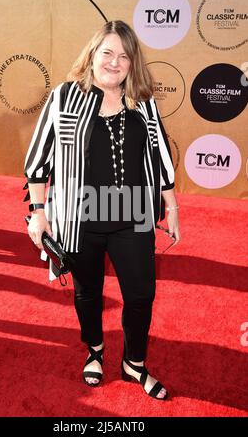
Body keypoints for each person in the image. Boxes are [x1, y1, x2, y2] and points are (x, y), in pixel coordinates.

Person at [24, 20, 180, 400]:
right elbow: (37, 161)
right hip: (81, 218)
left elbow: (159, 156)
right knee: (88, 293)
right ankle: (95, 350)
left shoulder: (143, 101)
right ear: (92, 55)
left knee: (142, 295)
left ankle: (134, 364)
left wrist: (172, 206)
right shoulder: (65, 97)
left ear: (133, 63)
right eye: (107, 53)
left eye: (124, 56)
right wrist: (39, 211)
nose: (115, 62)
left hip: (135, 215)